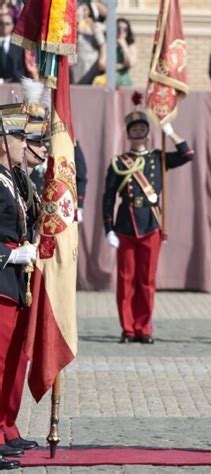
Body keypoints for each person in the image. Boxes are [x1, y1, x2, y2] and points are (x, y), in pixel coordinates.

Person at [102, 96, 194, 344]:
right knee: (125, 280)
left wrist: (171, 131)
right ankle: (128, 328)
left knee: (147, 280)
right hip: (125, 224)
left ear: (148, 132)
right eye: (134, 129)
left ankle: (144, 328)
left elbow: (187, 154)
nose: (138, 132)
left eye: (142, 128)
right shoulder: (119, 162)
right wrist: (108, 228)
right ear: (128, 134)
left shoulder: (158, 156)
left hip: (151, 224)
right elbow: (108, 197)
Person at [0, 101, 39, 471]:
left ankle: (4, 427)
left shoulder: (10, 178)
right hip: (2, 276)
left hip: (14, 283)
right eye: (18, 136)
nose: (23, 142)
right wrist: (9, 256)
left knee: (10, 361)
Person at [93, 17, 137, 87]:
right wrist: (120, 66)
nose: (121, 32)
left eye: (125, 30)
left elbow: (131, 63)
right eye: (118, 29)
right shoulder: (107, 45)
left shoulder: (131, 46)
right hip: (109, 81)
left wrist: (124, 46)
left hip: (125, 82)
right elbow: (101, 65)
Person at [71, 0, 105, 84]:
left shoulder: (95, 25)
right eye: (79, 9)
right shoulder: (74, 25)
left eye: (85, 9)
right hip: (77, 62)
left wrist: (91, 25)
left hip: (91, 62)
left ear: (90, 11)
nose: (82, 12)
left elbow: (101, 42)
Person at [0, 11, 26, 83]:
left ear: (13, 25)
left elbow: (22, 68)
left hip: (15, 85)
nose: (4, 26)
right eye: (1, 23)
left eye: (7, 24)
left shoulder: (19, 45)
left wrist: (12, 80)